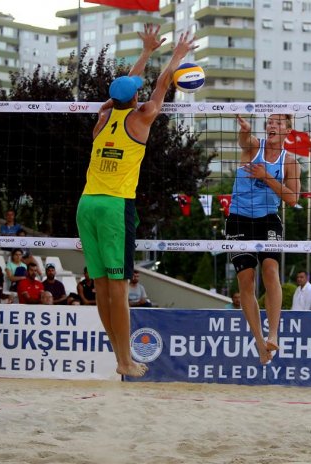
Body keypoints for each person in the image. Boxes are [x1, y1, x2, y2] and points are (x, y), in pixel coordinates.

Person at [75, 24, 195, 377]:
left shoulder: (102, 118)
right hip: (114, 206)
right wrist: (176, 55)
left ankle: (119, 357)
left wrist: (145, 52)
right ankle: (125, 359)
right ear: (134, 99)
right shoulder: (142, 117)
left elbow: (125, 88)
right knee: (118, 287)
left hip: (86, 204)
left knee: (100, 286)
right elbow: (162, 85)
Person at [226, 113, 301, 364]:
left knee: (270, 270)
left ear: (287, 131)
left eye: (278, 123)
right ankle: (259, 342)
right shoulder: (254, 147)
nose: (272, 125)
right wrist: (245, 130)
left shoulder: (290, 162)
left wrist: (266, 177)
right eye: (269, 122)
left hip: (268, 218)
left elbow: (292, 199)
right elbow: (244, 141)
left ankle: (273, 333)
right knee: (246, 282)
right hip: (238, 218)